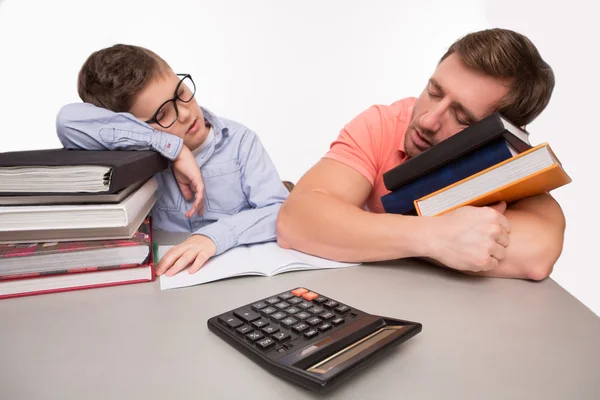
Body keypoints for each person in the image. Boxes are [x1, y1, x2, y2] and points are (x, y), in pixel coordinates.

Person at [276, 28, 564, 281]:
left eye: (462, 117)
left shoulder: (508, 164)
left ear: (499, 133)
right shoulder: (384, 123)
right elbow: (297, 220)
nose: (428, 121)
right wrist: (435, 237)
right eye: (435, 92)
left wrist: (359, 233)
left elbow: (536, 254)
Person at [56, 44, 289, 277]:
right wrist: (172, 148)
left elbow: (280, 211)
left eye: (181, 93)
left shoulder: (240, 142)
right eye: (162, 115)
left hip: (235, 271)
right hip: (164, 280)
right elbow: (67, 122)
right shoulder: (132, 155)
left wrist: (213, 236)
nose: (185, 114)